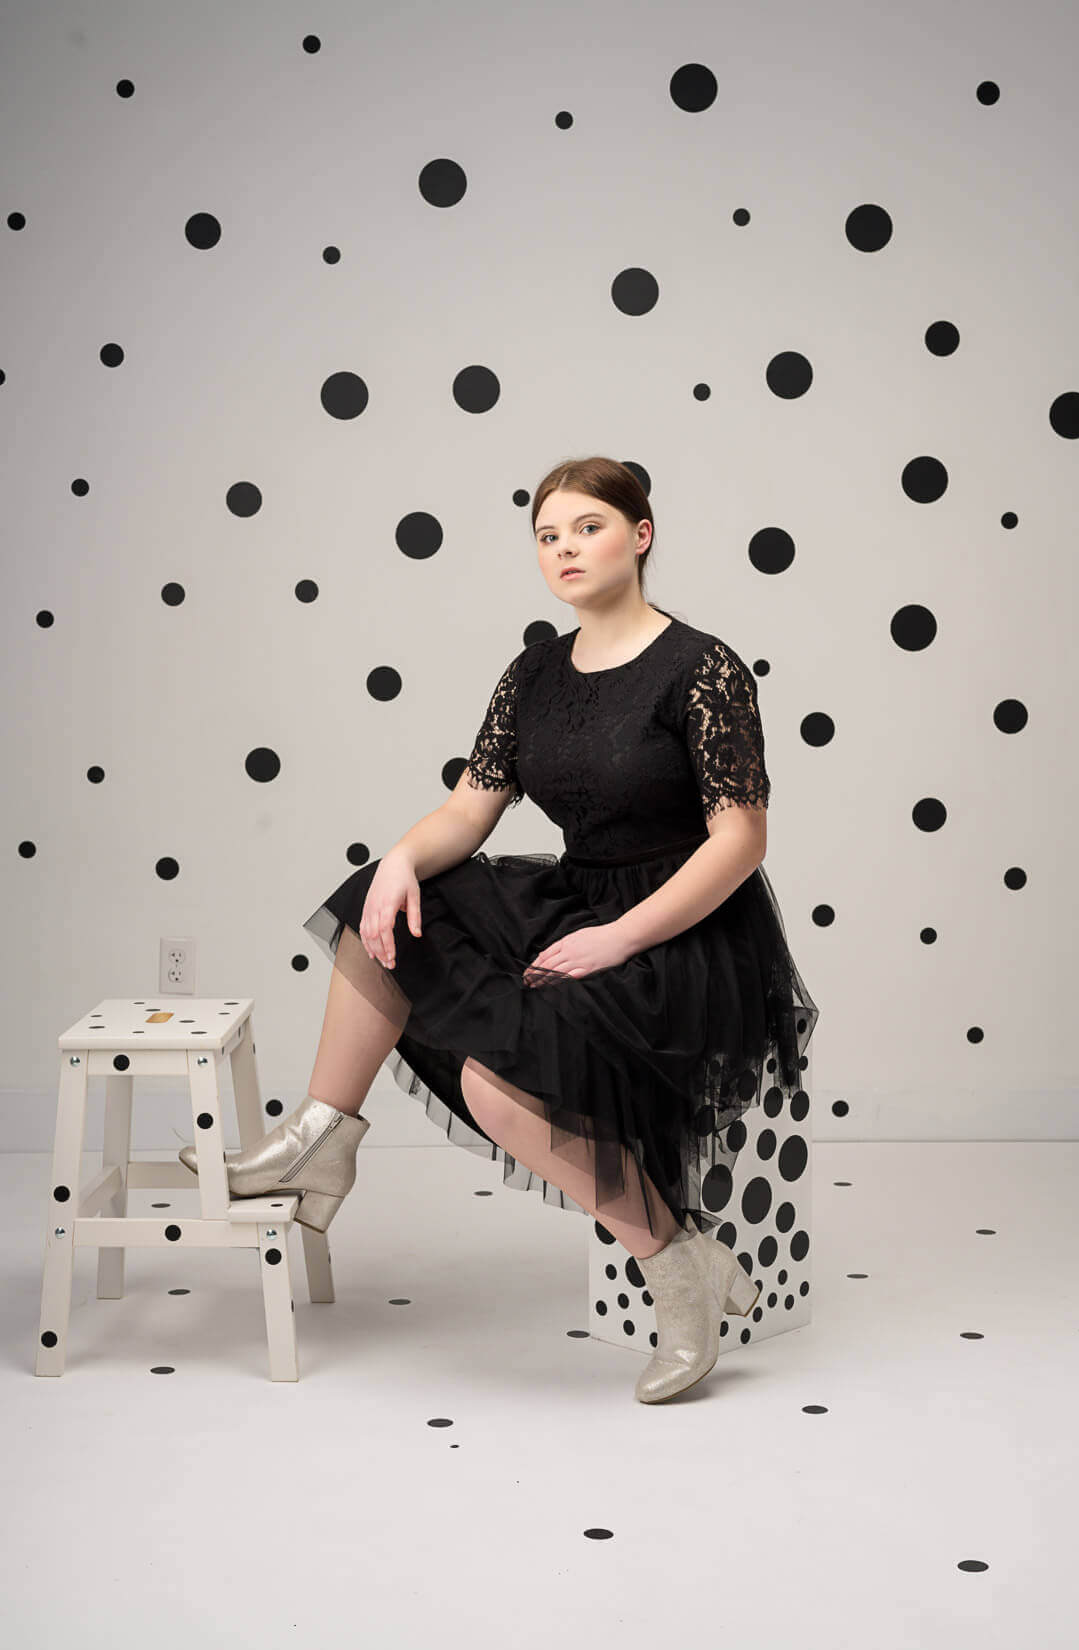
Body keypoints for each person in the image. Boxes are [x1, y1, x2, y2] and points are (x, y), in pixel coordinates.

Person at [179, 454, 819, 1402]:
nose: (565, 549)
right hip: (576, 897)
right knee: (381, 900)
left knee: (497, 1085)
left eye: (588, 528)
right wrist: (400, 859)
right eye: (548, 535)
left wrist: (623, 938)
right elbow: (469, 810)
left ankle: (680, 1268)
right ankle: (320, 1137)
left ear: (640, 536)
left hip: (681, 930)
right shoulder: (533, 673)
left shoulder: (703, 668)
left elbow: (741, 840)